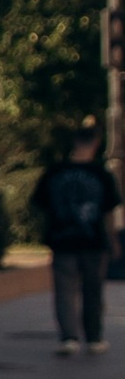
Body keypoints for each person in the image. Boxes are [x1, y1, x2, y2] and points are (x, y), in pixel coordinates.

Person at [37, 123, 119, 355]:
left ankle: (69, 337)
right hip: (93, 241)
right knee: (93, 290)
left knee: (65, 290)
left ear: (75, 141)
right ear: (96, 142)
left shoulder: (55, 173)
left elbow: (43, 206)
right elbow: (108, 212)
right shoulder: (101, 175)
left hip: (62, 240)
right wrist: (113, 240)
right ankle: (93, 338)